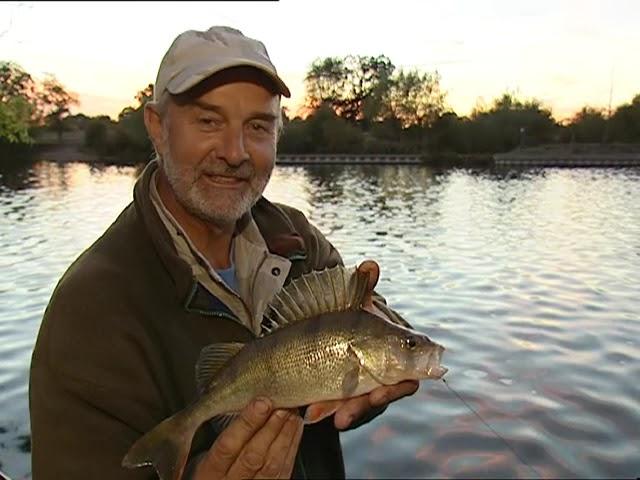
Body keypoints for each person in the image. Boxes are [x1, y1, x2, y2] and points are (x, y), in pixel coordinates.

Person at [29, 26, 418, 479]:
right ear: (157, 127)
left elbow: (365, 332)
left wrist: (378, 364)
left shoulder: (296, 240)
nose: (235, 152)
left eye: (257, 126)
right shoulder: (90, 308)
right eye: (209, 121)